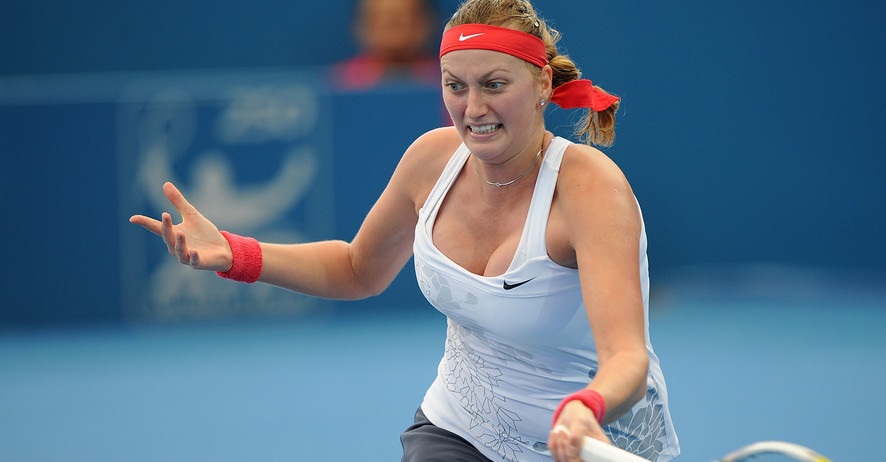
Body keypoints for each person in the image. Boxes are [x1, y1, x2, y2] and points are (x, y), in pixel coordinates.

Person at [130, 1, 680, 460]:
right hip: (460, 429)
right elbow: (357, 269)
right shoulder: (430, 160)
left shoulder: (590, 189)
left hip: (589, 437)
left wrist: (586, 406)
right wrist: (235, 253)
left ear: (541, 84)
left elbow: (626, 358)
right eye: (455, 86)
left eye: (494, 85)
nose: (473, 108)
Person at [332, 0, 440, 90]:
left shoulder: (442, 78)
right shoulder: (342, 84)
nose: (393, 29)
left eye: (401, 19)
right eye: (384, 19)